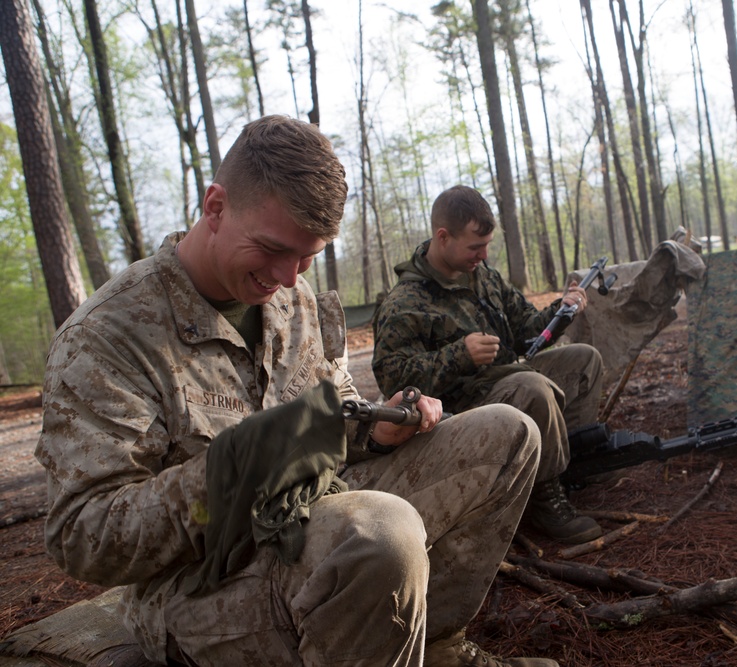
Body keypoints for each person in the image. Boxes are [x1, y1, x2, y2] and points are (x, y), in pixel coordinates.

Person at [34, 116, 559, 667]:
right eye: (272, 249)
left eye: (307, 256)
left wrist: (376, 429)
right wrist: (235, 472)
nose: (286, 278)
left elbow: (336, 411)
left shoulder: (295, 297)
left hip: (324, 518)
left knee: (507, 433)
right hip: (203, 582)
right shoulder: (109, 335)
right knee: (383, 533)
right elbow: (83, 535)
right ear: (215, 207)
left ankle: (439, 650)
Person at [372, 185, 605, 545]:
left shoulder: (484, 277)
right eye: (474, 247)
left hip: (506, 378)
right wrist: (458, 355)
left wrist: (562, 309)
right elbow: (392, 379)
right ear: (443, 237)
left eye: (486, 247)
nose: (482, 256)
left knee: (584, 359)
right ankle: (544, 498)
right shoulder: (405, 302)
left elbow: (526, 327)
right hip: (460, 413)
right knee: (533, 387)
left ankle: (564, 467)